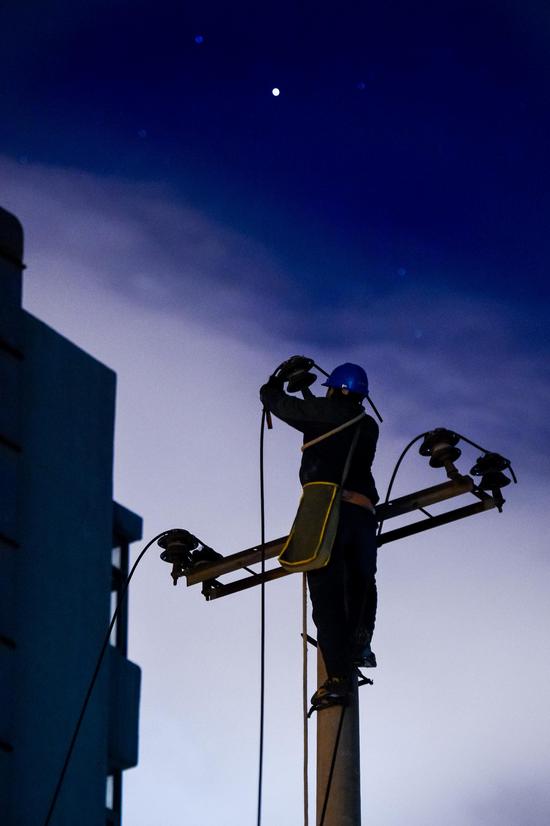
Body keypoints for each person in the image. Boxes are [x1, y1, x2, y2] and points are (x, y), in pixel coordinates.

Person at [260, 361, 380, 709]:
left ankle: (339, 678)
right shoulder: (368, 426)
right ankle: (361, 644)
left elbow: (275, 402)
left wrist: (277, 379)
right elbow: (327, 419)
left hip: (329, 510)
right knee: (362, 581)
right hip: (363, 514)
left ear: (334, 388)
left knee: (326, 596)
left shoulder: (323, 410)